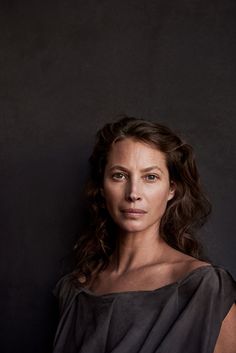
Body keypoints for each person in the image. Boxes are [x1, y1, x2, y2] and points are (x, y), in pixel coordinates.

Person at [52, 116, 236, 353]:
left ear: (172, 189)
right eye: (119, 175)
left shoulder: (204, 288)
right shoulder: (75, 290)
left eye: (150, 177)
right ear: (101, 186)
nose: (133, 193)